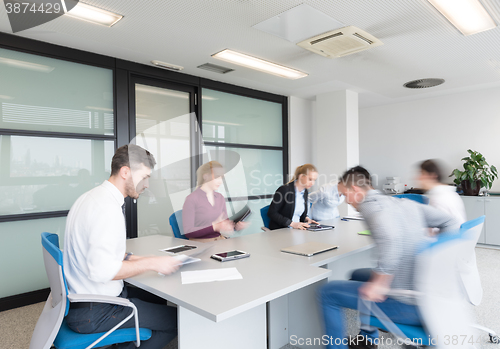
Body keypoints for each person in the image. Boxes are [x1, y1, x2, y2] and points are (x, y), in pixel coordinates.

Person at [319, 166, 460, 349]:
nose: (346, 201)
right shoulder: (400, 202)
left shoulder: (369, 206)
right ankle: (368, 339)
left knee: (327, 292)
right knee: (358, 274)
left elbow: (390, 239)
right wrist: (437, 260)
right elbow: (449, 221)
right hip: (432, 295)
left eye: (346, 195)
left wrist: (380, 283)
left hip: (409, 303)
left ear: (356, 190)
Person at [63, 144, 178, 349]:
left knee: (156, 298)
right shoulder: (107, 209)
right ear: (126, 172)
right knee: (177, 320)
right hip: (97, 312)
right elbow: (103, 271)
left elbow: (94, 249)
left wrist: (134, 258)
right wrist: (152, 263)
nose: (148, 184)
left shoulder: (91, 198)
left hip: (81, 301)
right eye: (144, 177)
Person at [418, 159, 482, 305]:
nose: (418, 178)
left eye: (421, 174)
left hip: (445, 254)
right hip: (459, 252)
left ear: (432, 176)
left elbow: (433, 233)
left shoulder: (438, 199)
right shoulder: (451, 194)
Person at [182, 161, 247, 241]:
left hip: (219, 241)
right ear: (205, 176)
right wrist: (214, 227)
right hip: (200, 244)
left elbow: (224, 223)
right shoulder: (191, 199)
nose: (220, 181)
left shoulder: (220, 198)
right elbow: (188, 232)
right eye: (217, 177)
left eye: (222, 178)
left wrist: (235, 227)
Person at [267, 164, 318, 230]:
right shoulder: (284, 190)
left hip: (298, 229)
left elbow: (295, 213)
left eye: (314, 180)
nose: (312, 183)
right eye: (310, 179)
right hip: (282, 230)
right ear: (301, 176)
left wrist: (306, 219)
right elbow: (272, 213)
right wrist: (292, 224)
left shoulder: (305, 192)